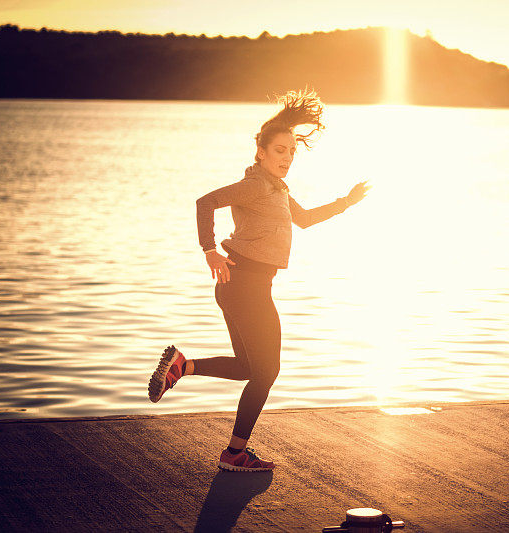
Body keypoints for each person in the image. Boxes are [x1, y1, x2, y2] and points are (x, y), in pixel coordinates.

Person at [147, 88, 370, 472]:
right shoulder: (254, 186)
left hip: (243, 286)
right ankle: (234, 453)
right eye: (279, 151)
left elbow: (305, 220)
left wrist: (345, 202)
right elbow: (205, 202)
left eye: (291, 152)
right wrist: (209, 248)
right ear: (261, 153)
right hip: (244, 284)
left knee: (251, 368)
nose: (286, 158)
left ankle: (183, 366)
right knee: (267, 371)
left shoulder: (277, 190)